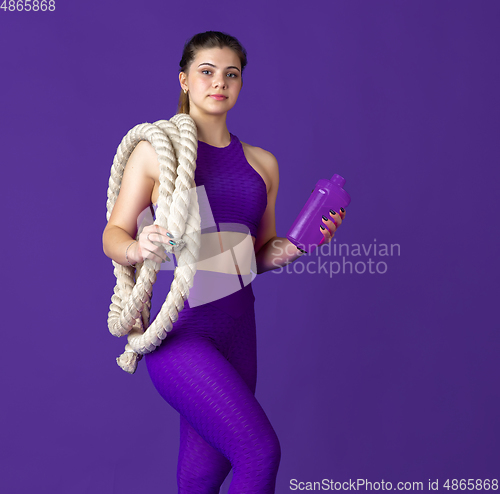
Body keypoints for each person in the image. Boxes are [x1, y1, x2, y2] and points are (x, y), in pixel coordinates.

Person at [102, 31, 346, 494]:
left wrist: (298, 247)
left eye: (231, 74)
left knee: (202, 475)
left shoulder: (261, 164)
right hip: (183, 332)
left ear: (240, 83)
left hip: (239, 333)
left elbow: (257, 252)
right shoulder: (159, 152)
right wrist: (137, 248)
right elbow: (112, 235)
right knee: (259, 453)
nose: (220, 82)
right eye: (207, 72)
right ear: (185, 80)